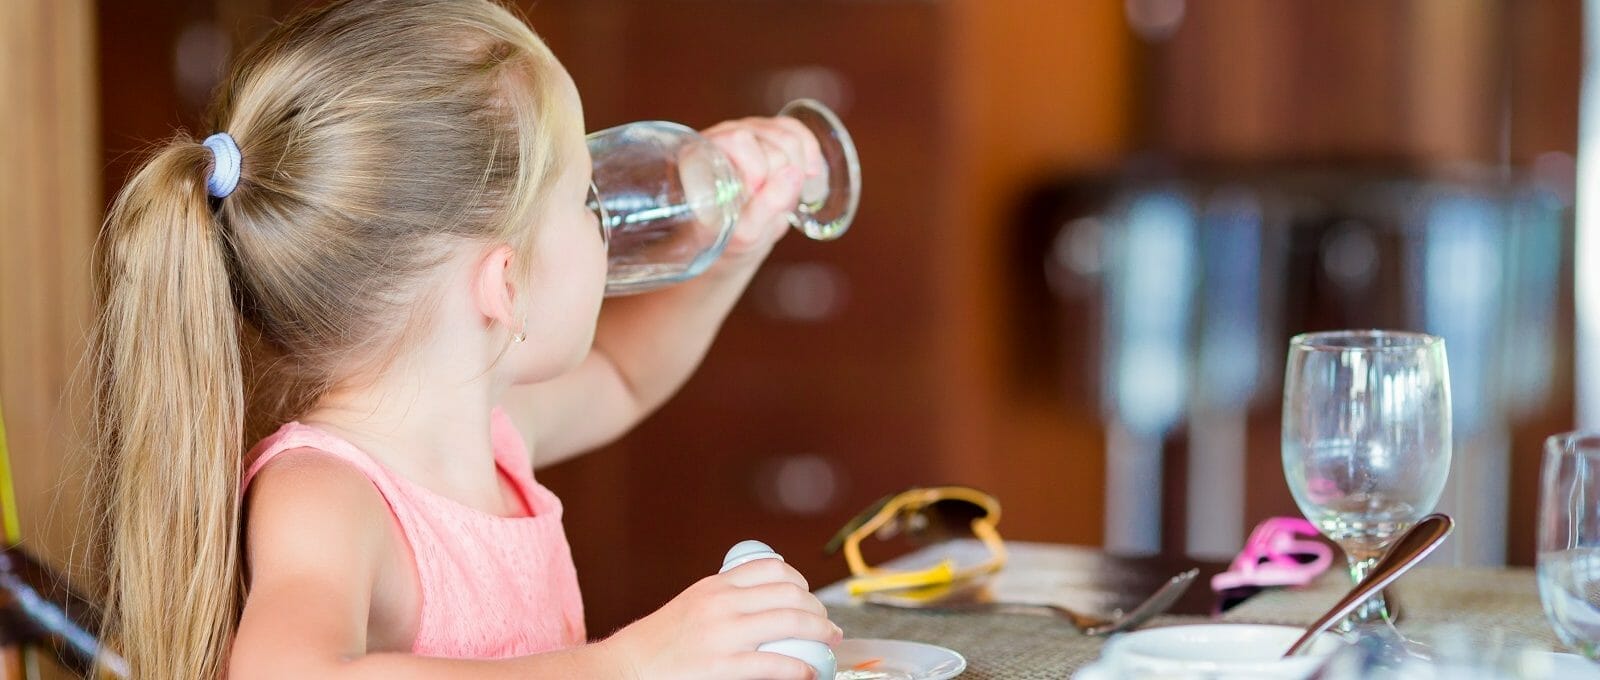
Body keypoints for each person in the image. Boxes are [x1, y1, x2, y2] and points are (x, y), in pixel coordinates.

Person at [88, 0, 839, 677]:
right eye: (586, 197)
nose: (607, 219)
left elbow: (623, 373)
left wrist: (735, 246)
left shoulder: (490, 431)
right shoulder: (326, 493)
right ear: (506, 286)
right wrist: (628, 664)